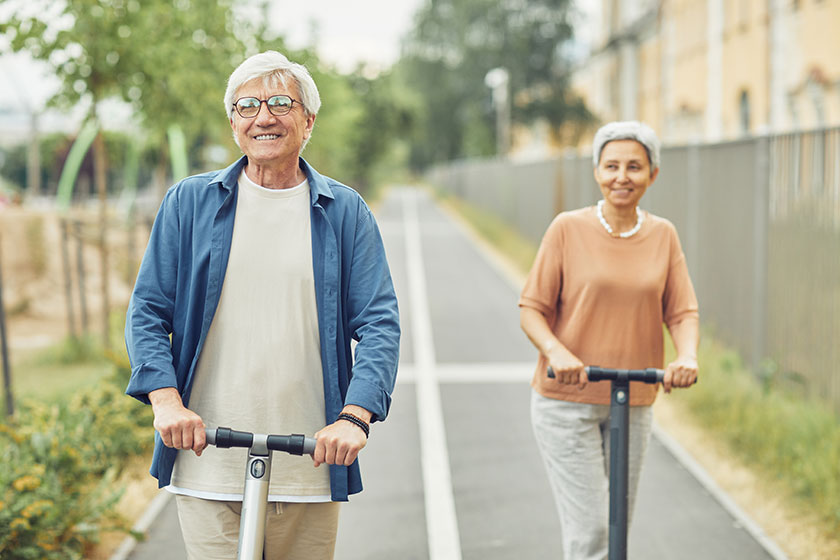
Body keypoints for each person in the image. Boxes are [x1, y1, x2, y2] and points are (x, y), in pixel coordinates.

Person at [124, 50, 400, 560]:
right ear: (233, 123)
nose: (264, 117)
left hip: (313, 462)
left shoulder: (346, 212)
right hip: (206, 458)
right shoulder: (188, 203)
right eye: (247, 106)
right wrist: (166, 402)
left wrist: (354, 418)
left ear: (308, 120)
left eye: (280, 102)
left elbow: (380, 322)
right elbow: (147, 310)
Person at [519, 121, 699, 560]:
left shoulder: (663, 235)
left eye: (634, 167)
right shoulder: (567, 228)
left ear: (652, 175)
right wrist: (559, 353)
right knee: (593, 532)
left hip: (634, 400)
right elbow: (532, 309)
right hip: (566, 402)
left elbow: (681, 312)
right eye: (612, 165)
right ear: (597, 172)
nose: (623, 176)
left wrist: (687, 356)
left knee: (618, 529)